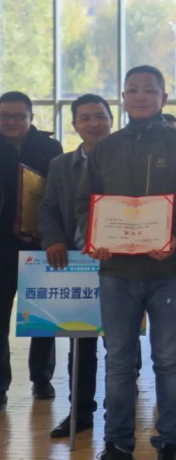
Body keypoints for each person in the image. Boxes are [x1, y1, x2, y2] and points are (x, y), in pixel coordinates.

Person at [76, 65, 176, 460]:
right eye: (132, 90)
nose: (140, 96)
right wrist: (94, 239)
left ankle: (170, 440)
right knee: (118, 361)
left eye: (149, 90)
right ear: (123, 98)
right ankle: (117, 442)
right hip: (116, 272)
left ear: (163, 97)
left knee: (168, 360)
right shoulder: (105, 148)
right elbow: (85, 203)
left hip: (169, 271)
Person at [38, 94, 114, 438]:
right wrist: (53, 239)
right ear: (75, 125)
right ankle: (79, 414)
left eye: (100, 116)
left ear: (111, 120)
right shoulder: (60, 165)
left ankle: (119, 415)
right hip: (77, 263)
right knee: (80, 345)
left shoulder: (127, 159)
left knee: (121, 347)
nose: (93, 123)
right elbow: (48, 207)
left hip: (121, 264)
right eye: (85, 118)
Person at [0, 91, 61, 410]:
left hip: (40, 243)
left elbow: (59, 195)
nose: (10, 122)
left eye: (17, 116)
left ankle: (41, 377)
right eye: (4, 116)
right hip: (1, 245)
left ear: (31, 118)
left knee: (42, 314)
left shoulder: (50, 148)